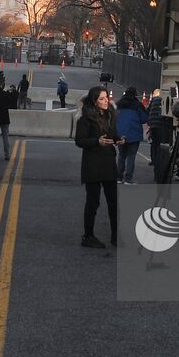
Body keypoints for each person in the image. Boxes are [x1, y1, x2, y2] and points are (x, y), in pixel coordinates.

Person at [74, 84, 122, 248]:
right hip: (93, 164)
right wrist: (97, 141)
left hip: (108, 162)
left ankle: (116, 236)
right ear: (94, 101)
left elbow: (111, 135)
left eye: (106, 97)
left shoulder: (110, 115)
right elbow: (79, 141)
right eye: (101, 98)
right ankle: (88, 236)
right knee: (93, 202)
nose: (106, 100)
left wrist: (118, 139)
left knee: (113, 202)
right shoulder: (85, 118)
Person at [115, 86, 148, 184]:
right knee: (131, 156)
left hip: (120, 134)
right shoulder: (137, 105)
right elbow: (144, 119)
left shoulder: (118, 104)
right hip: (133, 133)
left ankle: (118, 177)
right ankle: (128, 179)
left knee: (121, 155)